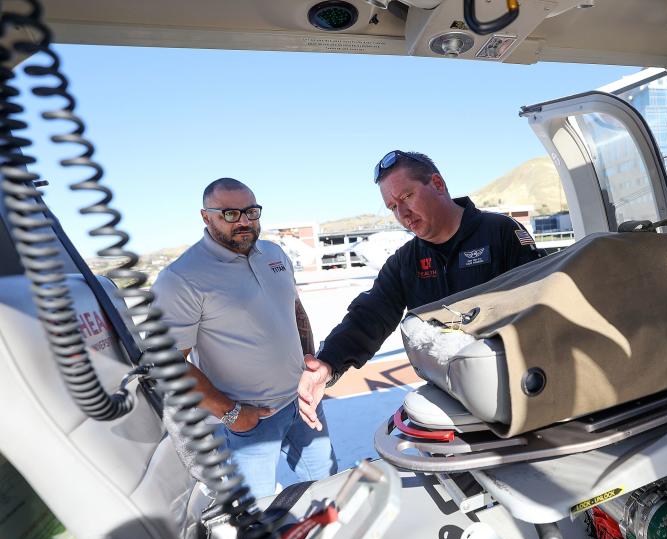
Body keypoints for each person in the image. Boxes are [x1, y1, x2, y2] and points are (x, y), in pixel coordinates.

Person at [298, 151, 542, 428]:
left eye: (406, 197)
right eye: (392, 207)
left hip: (513, 391)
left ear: (437, 184)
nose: (402, 214)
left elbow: (539, 306)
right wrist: (328, 364)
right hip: (449, 393)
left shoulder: (500, 233)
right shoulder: (406, 260)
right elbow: (369, 316)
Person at [153, 177, 336, 499]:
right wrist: (233, 414)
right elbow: (166, 363)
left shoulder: (273, 253)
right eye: (230, 214)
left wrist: (309, 364)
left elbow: (294, 310)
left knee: (327, 489)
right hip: (249, 419)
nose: (244, 222)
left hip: (302, 401)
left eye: (252, 212)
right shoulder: (180, 278)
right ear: (205, 216)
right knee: (255, 512)